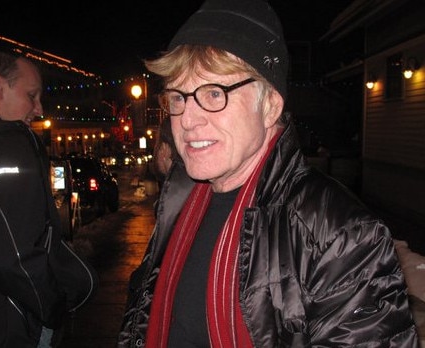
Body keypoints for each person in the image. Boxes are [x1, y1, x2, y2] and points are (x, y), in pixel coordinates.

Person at [117, 0, 419, 346]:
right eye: (178, 97)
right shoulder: (177, 200)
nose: (187, 118)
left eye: (214, 93)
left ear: (270, 105)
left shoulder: (336, 232)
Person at [0, 48, 98, 347]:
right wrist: (53, 308)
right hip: (6, 326)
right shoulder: (10, 144)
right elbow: (14, 257)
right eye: (32, 95)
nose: (38, 109)